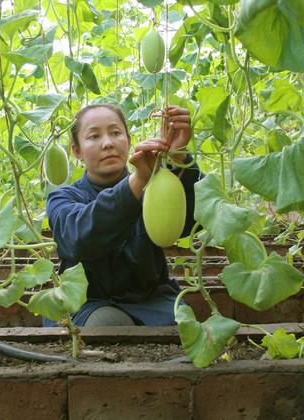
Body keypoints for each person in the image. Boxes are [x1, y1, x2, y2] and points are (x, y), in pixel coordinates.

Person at [44, 104, 202, 327]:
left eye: (116, 133)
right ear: (76, 151)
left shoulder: (156, 187)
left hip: (153, 301)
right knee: (107, 323)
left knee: (184, 323)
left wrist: (179, 158)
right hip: (87, 304)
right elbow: (79, 239)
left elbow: (190, 221)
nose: (107, 143)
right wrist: (137, 181)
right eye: (93, 136)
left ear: (128, 140)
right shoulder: (62, 198)